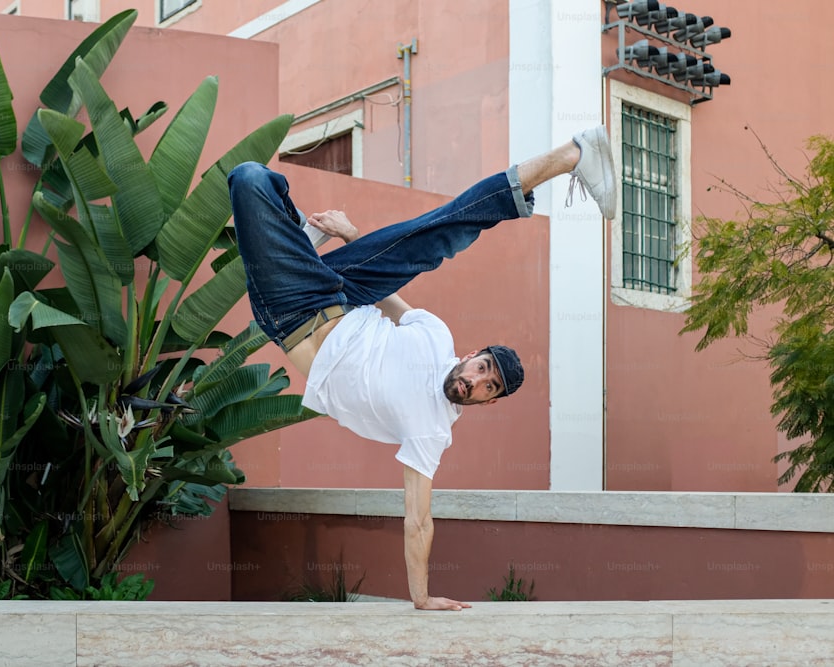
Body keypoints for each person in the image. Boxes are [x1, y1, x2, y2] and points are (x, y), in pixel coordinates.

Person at [227, 126, 616, 611]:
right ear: (472, 354)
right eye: (482, 367)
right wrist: (352, 239)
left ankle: (297, 241)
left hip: (289, 310)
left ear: (487, 402)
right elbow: (386, 289)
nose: (475, 380)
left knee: (247, 179)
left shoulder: (431, 431)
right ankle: (573, 154)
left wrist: (422, 597)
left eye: (486, 386)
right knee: (439, 232)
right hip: (339, 293)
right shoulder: (436, 335)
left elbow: (418, 519)